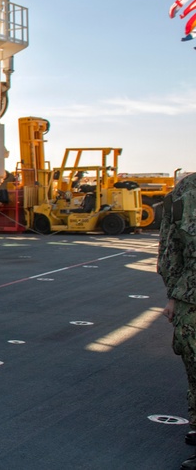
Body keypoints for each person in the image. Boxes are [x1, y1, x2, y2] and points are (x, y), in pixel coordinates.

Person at [158, 173, 196, 470]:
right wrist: (174, 295)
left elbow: (169, 250)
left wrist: (175, 293)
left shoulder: (187, 188)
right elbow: (170, 247)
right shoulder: (187, 189)